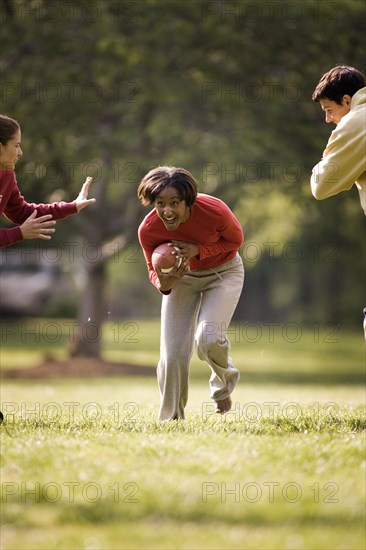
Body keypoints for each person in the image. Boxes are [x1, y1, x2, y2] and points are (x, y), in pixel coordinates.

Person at [137, 166, 244, 421]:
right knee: (172, 354)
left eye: (174, 203)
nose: (167, 211)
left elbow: (235, 241)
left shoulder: (214, 210)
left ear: (188, 201)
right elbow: (153, 270)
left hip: (223, 272)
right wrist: (164, 281)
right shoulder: (148, 230)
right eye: (160, 203)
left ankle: (223, 384)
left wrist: (198, 250)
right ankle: (172, 420)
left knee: (207, 338)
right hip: (181, 278)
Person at [0, 114, 96, 248]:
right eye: (16, 146)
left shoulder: (7, 176)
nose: (20, 152)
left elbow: (23, 213)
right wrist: (19, 233)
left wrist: (72, 206)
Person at [310, 65, 366, 213]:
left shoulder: (356, 121)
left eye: (329, 110)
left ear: (346, 100)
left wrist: (327, 156)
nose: (328, 119)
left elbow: (320, 185)